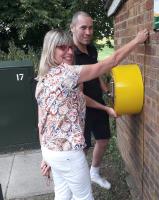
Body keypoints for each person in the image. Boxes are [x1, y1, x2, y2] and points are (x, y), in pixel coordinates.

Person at [36, 28, 148, 200]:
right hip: (67, 153)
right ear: (50, 50)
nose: (69, 52)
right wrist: (136, 40)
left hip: (51, 150)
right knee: (84, 197)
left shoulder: (42, 79)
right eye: (62, 48)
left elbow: (42, 121)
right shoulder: (67, 74)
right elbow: (109, 62)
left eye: (70, 47)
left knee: (62, 195)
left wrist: (46, 156)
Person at [70, 11, 113, 189]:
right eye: (83, 28)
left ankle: (94, 173)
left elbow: (96, 72)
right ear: (72, 28)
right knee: (82, 148)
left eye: (90, 27)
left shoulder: (92, 49)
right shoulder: (70, 56)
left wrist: (105, 89)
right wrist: (105, 109)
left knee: (103, 140)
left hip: (96, 102)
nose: (88, 32)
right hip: (80, 109)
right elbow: (80, 96)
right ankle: (75, 181)